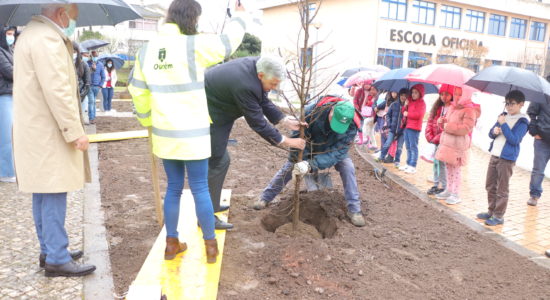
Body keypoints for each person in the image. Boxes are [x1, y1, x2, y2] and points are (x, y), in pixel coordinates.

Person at [129, 0, 247, 263]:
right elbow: (228, 43)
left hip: (165, 135)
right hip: (194, 136)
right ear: (191, 19)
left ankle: (171, 244)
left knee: (172, 189)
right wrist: (240, 18)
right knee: (200, 189)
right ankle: (210, 246)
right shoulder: (194, 45)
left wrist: (147, 119)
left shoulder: (146, 52)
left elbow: (137, 90)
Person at [13, 3, 95, 277]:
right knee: (54, 190)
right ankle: (57, 257)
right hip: (49, 131)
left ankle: (50, 249)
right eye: (71, 15)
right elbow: (58, 91)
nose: (72, 20)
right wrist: (74, 132)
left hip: (36, 129)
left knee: (43, 191)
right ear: (61, 13)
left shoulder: (30, 34)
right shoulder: (48, 39)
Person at [205, 56, 306, 229]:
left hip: (223, 108)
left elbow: (262, 100)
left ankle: (211, 204)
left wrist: (284, 120)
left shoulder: (259, 66)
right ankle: (206, 217)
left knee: (221, 160)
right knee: (218, 161)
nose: (274, 88)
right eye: (273, 84)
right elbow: (257, 122)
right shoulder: (245, 84)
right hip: (211, 113)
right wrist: (286, 141)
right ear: (260, 75)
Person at [255, 97, 366, 227]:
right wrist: (296, 161)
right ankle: (265, 197)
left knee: (348, 167)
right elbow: (298, 137)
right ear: (331, 111)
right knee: (289, 167)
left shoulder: (353, 124)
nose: (337, 128)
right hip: (310, 146)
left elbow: (339, 152)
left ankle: (355, 210)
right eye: (335, 122)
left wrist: (310, 165)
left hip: (333, 151)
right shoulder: (311, 112)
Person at [476, 91, 528, 226]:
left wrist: (503, 125)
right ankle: (491, 211)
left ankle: (498, 216)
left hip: (507, 158)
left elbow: (515, 140)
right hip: (495, 154)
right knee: (490, 185)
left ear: (521, 104)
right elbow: (490, 133)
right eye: (507, 103)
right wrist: (495, 131)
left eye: (512, 104)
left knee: (502, 189)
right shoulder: (502, 116)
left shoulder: (523, 122)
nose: (509, 107)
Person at [435, 86, 481, 205]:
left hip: (458, 145)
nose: (457, 97)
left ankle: (455, 193)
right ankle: (449, 190)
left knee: (456, 170)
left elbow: (466, 129)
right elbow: (447, 123)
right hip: (448, 143)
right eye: (455, 94)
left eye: (460, 94)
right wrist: (442, 122)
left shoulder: (469, 111)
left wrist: (448, 127)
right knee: (448, 168)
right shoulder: (452, 107)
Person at [425, 84, 453, 195]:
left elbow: (446, 127)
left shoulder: (452, 109)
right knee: (435, 163)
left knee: (442, 164)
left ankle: (444, 186)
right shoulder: (438, 108)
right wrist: (429, 135)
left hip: (444, 141)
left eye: (446, 94)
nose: (444, 96)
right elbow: (430, 121)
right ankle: (436, 184)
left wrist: (436, 138)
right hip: (435, 141)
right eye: (441, 94)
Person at [526, 95, 550, 206]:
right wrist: (534, 131)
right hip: (542, 138)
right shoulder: (543, 91)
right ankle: (534, 195)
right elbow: (531, 111)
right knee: (538, 169)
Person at [0, 26, 17, 183]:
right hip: (3, 95)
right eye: (8, 34)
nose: (11, 37)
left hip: (10, 94)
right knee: (5, 137)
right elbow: (10, 71)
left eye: (12, 34)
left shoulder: (10, 50)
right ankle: (5, 172)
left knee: (10, 135)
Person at [399, 84, 426, 174]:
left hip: (414, 128)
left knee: (413, 147)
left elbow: (419, 115)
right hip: (407, 126)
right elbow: (403, 112)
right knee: (408, 146)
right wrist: (405, 105)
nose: (413, 94)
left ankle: (413, 165)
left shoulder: (422, 103)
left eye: (416, 93)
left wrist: (408, 114)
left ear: (420, 93)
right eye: (412, 92)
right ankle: (408, 163)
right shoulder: (409, 101)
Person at [376, 89, 406, 165]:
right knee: (387, 143)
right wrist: (389, 124)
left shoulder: (407, 107)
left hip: (402, 131)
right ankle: (381, 157)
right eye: (402, 95)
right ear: (399, 95)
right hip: (392, 129)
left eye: (405, 96)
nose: (403, 97)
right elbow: (388, 115)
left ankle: (397, 161)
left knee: (399, 147)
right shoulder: (394, 104)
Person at [73, 42, 90, 124]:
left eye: (74, 52)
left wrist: (82, 95)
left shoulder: (84, 64)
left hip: (80, 92)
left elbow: (87, 82)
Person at [85, 49, 104, 123]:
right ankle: (91, 118)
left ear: (98, 56)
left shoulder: (101, 65)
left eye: (96, 55)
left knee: (94, 102)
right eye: (93, 55)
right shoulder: (87, 64)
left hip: (97, 86)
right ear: (91, 56)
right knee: (91, 101)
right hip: (89, 86)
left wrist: (100, 85)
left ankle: (93, 116)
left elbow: (103, 76)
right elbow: (86, 74)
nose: (94, 56)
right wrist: (92, 69)